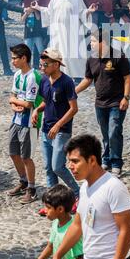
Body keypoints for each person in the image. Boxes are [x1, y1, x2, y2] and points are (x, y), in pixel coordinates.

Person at [49, 134, 130, 259]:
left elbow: (126, 230)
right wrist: (57, 256)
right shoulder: (84, 188)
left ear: (92, 160)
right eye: (69, 161)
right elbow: (77, 226)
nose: (70, 166)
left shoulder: (113, 187)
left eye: (75, 161)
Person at [75, 29, 130, 176]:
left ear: (103, 42)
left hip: (116, 103)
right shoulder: (91, 59)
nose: (91, 44)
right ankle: (106, 159)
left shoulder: (119, 56)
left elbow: (127, 78)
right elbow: (87, 80)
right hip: (100, 103)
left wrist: (126, 97)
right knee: (106, 134)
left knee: (114, 132)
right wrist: (73, 91)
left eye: (93, 41)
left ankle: (117, 163)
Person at [31, 48, 80, 212]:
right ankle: (51, 203)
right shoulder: (44, 80)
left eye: (45, 64)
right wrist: (37, 110)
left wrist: (58, 124)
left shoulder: (67, 82)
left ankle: (77, 193)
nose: (42, 68)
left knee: (58, 166)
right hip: (46, 129)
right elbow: (47, 101)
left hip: (62, 130)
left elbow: (73, 108)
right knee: (48, 167)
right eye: (41, 64)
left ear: (56, 64)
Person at [31, 0, 98, 79]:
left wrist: (88, 11)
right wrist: (38, 8)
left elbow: (82, 13)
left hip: (71, 32)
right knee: (58, 53)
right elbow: (49, 12)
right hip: (57, 32)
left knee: (71, 54)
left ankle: (75, 75)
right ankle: (59, 73)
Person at [8, 44, 41, 204]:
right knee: (13, 153)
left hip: (30, 123)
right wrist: (14, 104)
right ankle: (23, 181)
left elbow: (28, 104)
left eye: (15, 58)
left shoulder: (33, 76)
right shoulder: (17, 75)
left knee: (26, 156)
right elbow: (12, 97)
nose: (12, 61)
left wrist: (14, 101)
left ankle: (32, 188)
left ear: (24, 58)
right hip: (16, 119)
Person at [31, 185, 84, 259]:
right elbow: (50, 246)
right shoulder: (56, 222)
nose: (45, 210)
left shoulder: (73, 230)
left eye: (48, 207)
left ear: (60, 209)